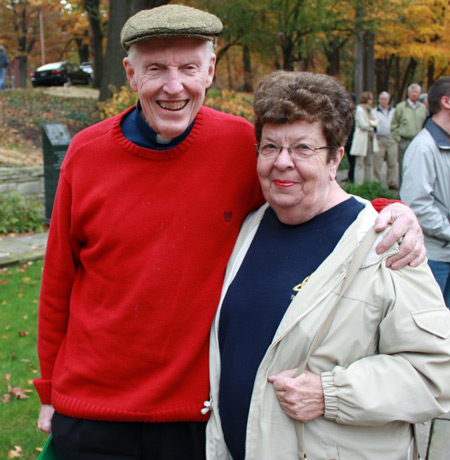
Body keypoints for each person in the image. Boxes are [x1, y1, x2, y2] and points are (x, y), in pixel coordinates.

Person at [34, 5, 425, 460]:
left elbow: (311, 192)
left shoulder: (242, 146)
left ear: (211, 70)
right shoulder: (87, 154)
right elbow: (59, 279)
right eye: (156, 68)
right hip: (91, 410)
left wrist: (388, 209)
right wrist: (47, 390)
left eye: (188, 68)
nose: (173, 86)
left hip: (195, 417)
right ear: (131, 74)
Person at [206, 71, 450, 460]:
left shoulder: (387, 243)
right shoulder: (249, 227)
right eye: (270, 147)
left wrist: (332, 393)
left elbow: (437, 372)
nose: (282, 163)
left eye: (303, 148)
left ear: (336, 156)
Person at [401, 76, 450, 308]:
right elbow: (417, 204)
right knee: (433, 333)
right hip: (435, 258)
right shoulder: (423, 147)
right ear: (446, 102)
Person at [391, 83, 428, 185]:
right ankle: (402, 191)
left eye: (416, 92)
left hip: (418, 141)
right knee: (404, 166)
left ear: (419, 94)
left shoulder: (422, 108)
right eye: (412, 92)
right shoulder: (401, 107)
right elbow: (394, 124)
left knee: (418, 167)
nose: (414, 94)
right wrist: (398, 138)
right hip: (404, 140)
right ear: (408, 93)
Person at [350, 91, 379, 184]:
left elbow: (377, 121)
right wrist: (371, 123)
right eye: (370, 99)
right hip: (361, 138)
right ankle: (359, 184)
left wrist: (370, 123)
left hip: (370, 138)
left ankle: (369, 182)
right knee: (360, 162)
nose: (371, 101)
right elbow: (363, 125)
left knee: (369, 162)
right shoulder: (359, 109)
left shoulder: (370, 110)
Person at [372, 91, 399, 190]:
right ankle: (377, 183)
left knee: (392, 162)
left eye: (385, 99)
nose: (383, 101)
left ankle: (391, 182)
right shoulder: (374, 111)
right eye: (382, 99)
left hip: (391, 139)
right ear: (379, 100)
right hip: (379, 139)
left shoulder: (394, 111)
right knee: (377, 163)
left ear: (388, 100)